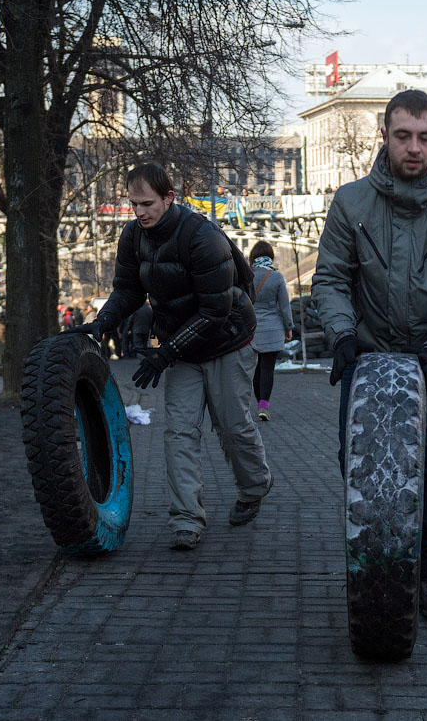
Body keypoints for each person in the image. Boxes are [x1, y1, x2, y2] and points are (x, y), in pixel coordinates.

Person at [312, 89, 427, 621]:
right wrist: (341, 335)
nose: (414, 147)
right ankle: (374, 564)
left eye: (424, 137)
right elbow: (332, 279)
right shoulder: (350, 202)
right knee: (358, 464)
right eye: (403, 135)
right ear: (384, 136)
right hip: (366, 360)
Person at [67, 163, 273, 551]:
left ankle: (255, 485)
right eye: (133, 205)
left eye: (148, 203)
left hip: (227, 339)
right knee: (179, 431)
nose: (140, 212)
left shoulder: (202, 236)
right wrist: (104, 321)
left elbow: (215, 311)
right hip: (183, 345)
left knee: (232, 425)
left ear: (169, 198)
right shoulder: (133, 236)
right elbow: (128, 289)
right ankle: (187, 520)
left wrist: (164, 354)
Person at [247, 240, 293, 422]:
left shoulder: (247, 276)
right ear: (270, 257)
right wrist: (288, 327)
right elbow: (284, 306)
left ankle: (260, 404)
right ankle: (263, 405)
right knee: (268, 368)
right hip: (273, 330)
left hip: (252, 330)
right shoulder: (276, 277)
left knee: (256, 370)